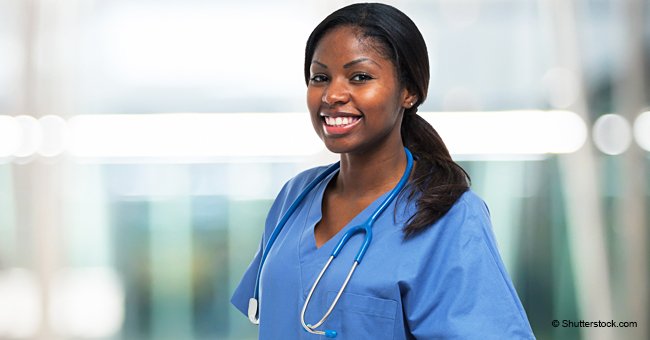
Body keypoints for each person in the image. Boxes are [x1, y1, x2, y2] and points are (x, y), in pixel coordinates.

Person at [231, 3, 535, 339]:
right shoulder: (295, 196)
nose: (332, 94)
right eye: (320, 77)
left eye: (360, 77)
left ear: (409, 92)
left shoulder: (450, 216)